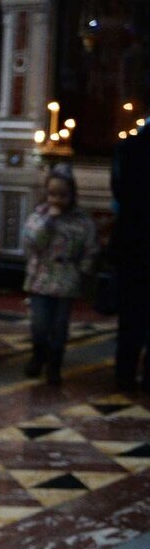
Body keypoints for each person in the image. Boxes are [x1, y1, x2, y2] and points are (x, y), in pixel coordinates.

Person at [20, 165, 97, 385]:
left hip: (67, 278)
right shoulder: (39, 216)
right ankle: (38, 354)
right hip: (42, 277)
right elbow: (32, 242)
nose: (57, 200)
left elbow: (90, 248)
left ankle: (55, 364)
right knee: (40, 322)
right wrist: (48, 223)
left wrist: (84, 269)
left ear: (72, 195)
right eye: (52, 194)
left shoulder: (81, 220)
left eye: (63, 195)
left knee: (60, 325)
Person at [112, 112, 150, 391]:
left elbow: (118, 191)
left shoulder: (128, 147)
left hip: (133, 239)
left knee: (130, 312)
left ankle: (124, 373)